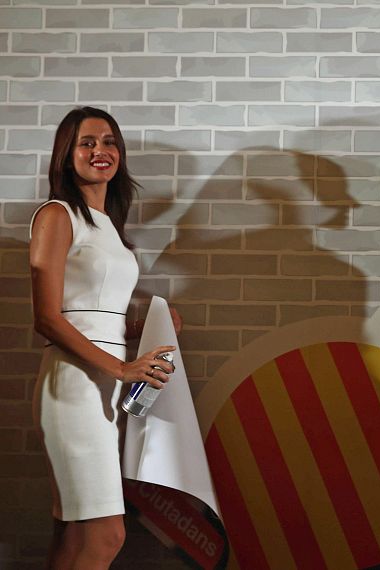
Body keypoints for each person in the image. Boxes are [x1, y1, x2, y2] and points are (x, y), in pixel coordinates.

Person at [29, 106, 181, 568]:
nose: (101, 151)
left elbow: (93, 314)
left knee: (74, 536)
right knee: (106, 535)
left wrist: (146, 326)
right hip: (74, 387)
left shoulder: (108, 226)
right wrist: (123, 367)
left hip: (105, 387)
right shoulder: (57, 214)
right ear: (66, 155)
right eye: (87, 142)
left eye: (109, 141)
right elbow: (48, 318)